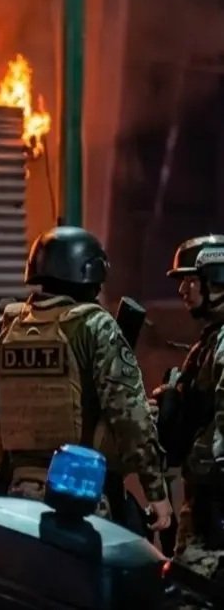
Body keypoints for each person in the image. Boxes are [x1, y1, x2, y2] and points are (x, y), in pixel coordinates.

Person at [0, 225, 172, 533]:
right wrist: (156, 492)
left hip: (14, 499)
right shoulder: (96, 327)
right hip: (85, 501)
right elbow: (130, 417)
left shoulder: (2, 329)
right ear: (90, 276)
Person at [154, 234, 224, 589]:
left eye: (190, 281)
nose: (184, 291)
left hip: (216, 504)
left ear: (217, 281)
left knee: (191, 593)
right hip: (206, 501)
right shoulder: (210, 341)